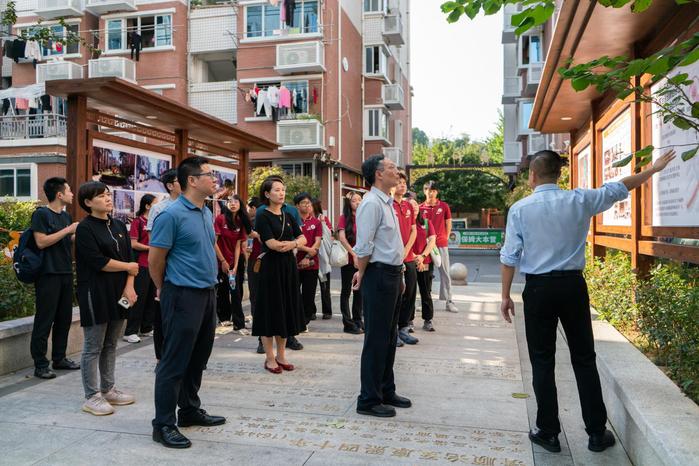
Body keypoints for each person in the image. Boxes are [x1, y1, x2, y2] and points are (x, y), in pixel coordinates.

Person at [500, 149, 676, 454]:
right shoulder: (579, 200)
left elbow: (510, 256)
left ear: (532, 175)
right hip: (573, 287)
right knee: (584, 358)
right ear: (559, 174)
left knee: (542, 360)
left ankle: (548, 432)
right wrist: (654, 169)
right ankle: (596, 433)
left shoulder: (520, 209)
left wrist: (504, 296)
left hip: (539, 290)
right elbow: (619, 187)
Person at [149, 157, 225, 449]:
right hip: (182, 294)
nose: (214, 179)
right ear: (192, 180)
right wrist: (164, 289)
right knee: (174, 361)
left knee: (198, 358)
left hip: (207, 293)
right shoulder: (170, 215)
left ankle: (190, 410)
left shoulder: (205, 210)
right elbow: (156, 260)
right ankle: (163, 424)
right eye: (209, 174)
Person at [352, 154, 412, 418]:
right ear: (378, 174)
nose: (396, 172)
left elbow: (391, 245)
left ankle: (386, 390)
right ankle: (368, 399)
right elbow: (364, 247)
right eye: (391, 168)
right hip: (377, 275)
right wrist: (362, 273)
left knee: (388, 338)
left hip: (392, 274)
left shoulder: (387, 202)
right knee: (376, 339)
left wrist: (400, 276)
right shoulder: (371, 204)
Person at [75, 181, 138, 416]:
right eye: (101, 196)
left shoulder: (119, 224)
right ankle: (92, 396)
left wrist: (129, 287)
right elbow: (98, 262)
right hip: (95, 292)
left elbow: (131, 261)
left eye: (108, 194)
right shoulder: (85, 228)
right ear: (88, 202)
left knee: (111, 343)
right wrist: (129, 267)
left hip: (120, 292)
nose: (108, 199)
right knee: (93, 346)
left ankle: (108, 389)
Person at [252, 177, 307, 374]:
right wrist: (291, 244)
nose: (281, 193)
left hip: (288, 267)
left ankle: (281, 356)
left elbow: (303, 237)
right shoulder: (262, 215)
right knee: (270, 312)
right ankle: (269, 358)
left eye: (283, 189)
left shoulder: (288, 214)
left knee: (285, 310)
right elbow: (271, 244)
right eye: (276, 190)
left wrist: (293, 244)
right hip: (270, 268)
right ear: (267, 194)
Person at [30, 177, 80, 379]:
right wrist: (68, 230)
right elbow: (41, 242)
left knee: (64, 319)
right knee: (45, 320)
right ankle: (40, 364)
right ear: (59, 194)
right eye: (69, 190)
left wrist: (79, 233)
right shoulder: (41, 214)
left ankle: (59, 359)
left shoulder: (66, 216)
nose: (72, 194)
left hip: (65, 272)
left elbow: (66, 239)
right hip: (48, 274)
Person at [146, 169, 181, 361]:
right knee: (162, 314)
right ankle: (162, 357)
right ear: (170, 185)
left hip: (186, 271)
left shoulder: (196, 206)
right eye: (179, 180)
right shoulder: (159, 209)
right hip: (167, 269)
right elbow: (154, 242)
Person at [124, 194, 158, 344]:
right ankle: (130, 331)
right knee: (139, 298)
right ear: (147, 206)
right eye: (155, 204)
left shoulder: (155, 222)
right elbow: (133, 244)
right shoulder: (137, 222)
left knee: (151, 297)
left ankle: (146, 328)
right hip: (141, 265)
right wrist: (152, 248)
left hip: (153, 265)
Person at [420, 181, 458, 313]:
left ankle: (449, 301)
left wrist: (445, 238)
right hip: (425, 246)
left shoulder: (444, 206)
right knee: (425, 275)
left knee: (445, 273)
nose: (431, 193)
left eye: (433, 191)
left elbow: (448, 223)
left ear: (437, 192)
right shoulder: (420, 208)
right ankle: (425, 302)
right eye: (428, 190)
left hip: (440, 244)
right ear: (424, 191)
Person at [214, 196, 248, 332]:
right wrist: (223, 261)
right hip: (220, 261)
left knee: (236, 292)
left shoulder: (241, 221)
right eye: (230, 202)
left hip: (235, 261)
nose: (233, 204)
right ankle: (224, 318)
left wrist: (235, 266)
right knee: (222, 291)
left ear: (240, 205)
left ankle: (239, 323)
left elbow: (238, 245)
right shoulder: (220, 219)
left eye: (236, 201)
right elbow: (214, 242)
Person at [392, 172, 418, 346]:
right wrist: (399, 252)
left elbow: (414, 230)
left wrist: (406, 250)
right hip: (393, 258)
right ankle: (392, 331)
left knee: (410, 293)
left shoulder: (408, 205)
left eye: (404, 182)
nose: (402, 185)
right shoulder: (388, 205)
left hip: (407, 257)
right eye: (399, 182)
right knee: (395, 296)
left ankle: (404, 328)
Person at [294, 192, 323, 324]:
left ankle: (304, 322)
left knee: (309, 296)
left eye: (308, 203)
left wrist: (307, 256)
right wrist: (308, 249)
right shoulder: (293, 221)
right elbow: (293, 242)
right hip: (294, 263)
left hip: (312, 264)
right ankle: (296, 320)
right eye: (303, 203)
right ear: (297, 205)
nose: (306, 205)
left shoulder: (316, 222)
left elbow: (317, 242)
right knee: (293, 293)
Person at [338, 192, 364, 334]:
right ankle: (347, 323)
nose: (358, 202)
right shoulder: (344, 217)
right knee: (346, 291)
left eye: (360, 199)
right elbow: (342, 238)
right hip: (348, 260)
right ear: (349, 203)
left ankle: (358, 320)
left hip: (363, 259)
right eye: (354, 200)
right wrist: (354, 255)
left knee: (359, 290)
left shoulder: (365, 216)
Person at [410, 198, 437, 332]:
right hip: (409, 261)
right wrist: (414, 257)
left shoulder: (426, 222)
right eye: (410, 205)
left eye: (415, 204)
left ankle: (428, 320)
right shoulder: (405, 223)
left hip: (425, 262)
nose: (414, 207)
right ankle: (408, 320)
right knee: (409, 293)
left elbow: (432, 241)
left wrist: (422, 256)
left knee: (426, 292)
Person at [246, 197, 265, 354]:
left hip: (273, 261)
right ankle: (261, 338)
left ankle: (287, 336)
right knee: (256, 299)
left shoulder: (282, 216)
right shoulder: (250, 221)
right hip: (255, 263)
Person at [313, 197, 333, 320]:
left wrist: (323, 223)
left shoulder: (323, 218)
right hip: (311, 257)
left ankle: (327, 311)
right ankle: (311, 311)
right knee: (310, 287)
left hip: (323, 258)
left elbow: (330, 234)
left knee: (324, 286)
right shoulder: (304, 219)